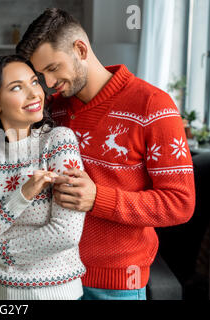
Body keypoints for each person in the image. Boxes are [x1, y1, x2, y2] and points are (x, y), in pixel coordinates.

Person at [15, 8, 196, 300]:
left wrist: (98, 199)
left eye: (53, 68)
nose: (48, 84)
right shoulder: (54, 110)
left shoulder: (153, 106)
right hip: (50, 277)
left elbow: (180, 204)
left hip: (115, 286)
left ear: (80, 49)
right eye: (41, 74)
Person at [0, 55, 86, 300]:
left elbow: (66, 233)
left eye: (34, 82)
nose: (34, 94)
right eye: (16, 87)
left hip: (56, 295)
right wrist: (22, 196)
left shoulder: (58, 141)